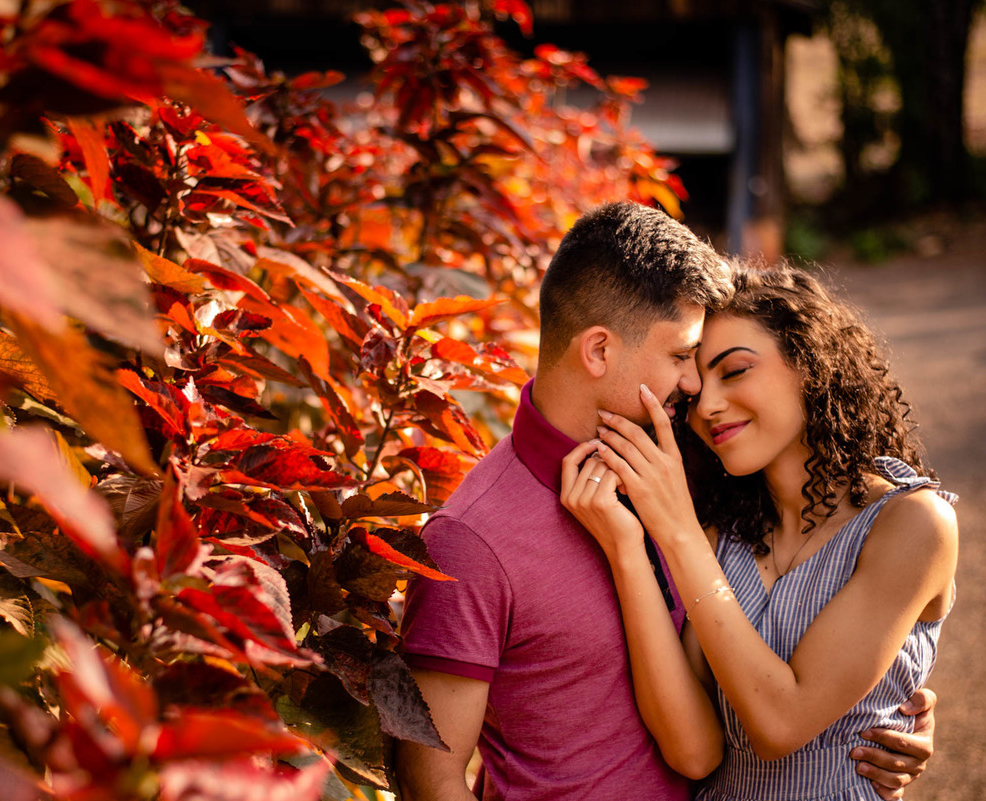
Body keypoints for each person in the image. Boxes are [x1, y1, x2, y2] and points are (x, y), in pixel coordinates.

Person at [397, 203, 937, 801]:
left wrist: (883, 702)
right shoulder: (472, 539)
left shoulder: (701, 480)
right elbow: (432, 779)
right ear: (599, 351)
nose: (696, 393)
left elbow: (738, 721)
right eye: (684, 357)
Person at [560, 264, 957, 800]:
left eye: (737, 370)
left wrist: (677, 532)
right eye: (696, 389)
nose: (708, 407)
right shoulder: (722, 533)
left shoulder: (911, 523)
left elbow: (779, 725)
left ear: (811, 364)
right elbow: (693, 752)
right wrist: (629, 549)